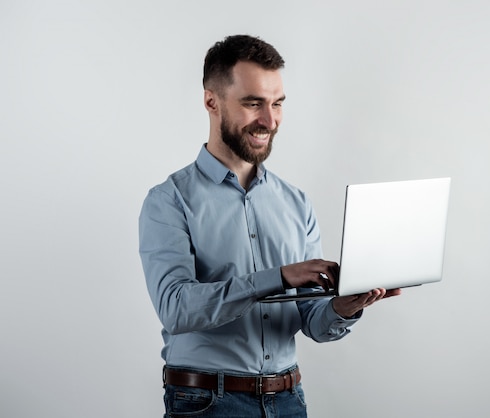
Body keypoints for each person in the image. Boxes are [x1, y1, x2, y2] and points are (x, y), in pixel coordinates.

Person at [139, 34, 401, 417]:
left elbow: (312, 320)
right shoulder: (169, 200)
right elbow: (176, 308)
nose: (269, 120)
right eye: (252, 103)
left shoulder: (295, 202)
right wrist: (277, 276)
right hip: (207, 404)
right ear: (211, 101)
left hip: (288, 399)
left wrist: (344, 307)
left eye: (277, 103)